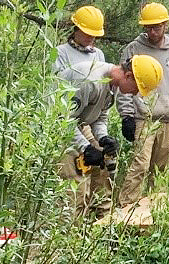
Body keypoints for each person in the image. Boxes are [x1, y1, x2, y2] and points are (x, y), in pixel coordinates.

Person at [59, 55, 163, 215]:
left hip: (75, 125)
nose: (135, 94)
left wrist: (103, 138)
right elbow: (62, 119)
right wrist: (85, 148)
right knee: (75, 184)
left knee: (102, 166)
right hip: (53, 129)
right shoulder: (90, 81)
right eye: (136, 88)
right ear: (128, 76)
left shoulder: (111, 84)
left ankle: (96, 219)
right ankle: (66, 230)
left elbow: (99, 117)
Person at [114, 2, 169, 209]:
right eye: (147, 28)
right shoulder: (134, 49)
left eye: (156, 27)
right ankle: (126, 207)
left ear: (166, 25)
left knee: (161, 168)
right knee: (140, 164)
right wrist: (126, 116)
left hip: (167, 116)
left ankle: (157, 207)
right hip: (143, 117)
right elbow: (124, 83)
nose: (152, 31)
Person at [52, 5, 108, 85]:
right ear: (76, 28)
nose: (91, 37)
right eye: (87, 33)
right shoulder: (60, 52)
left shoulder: (98, 55)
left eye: (93, 34)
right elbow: (56, 83)